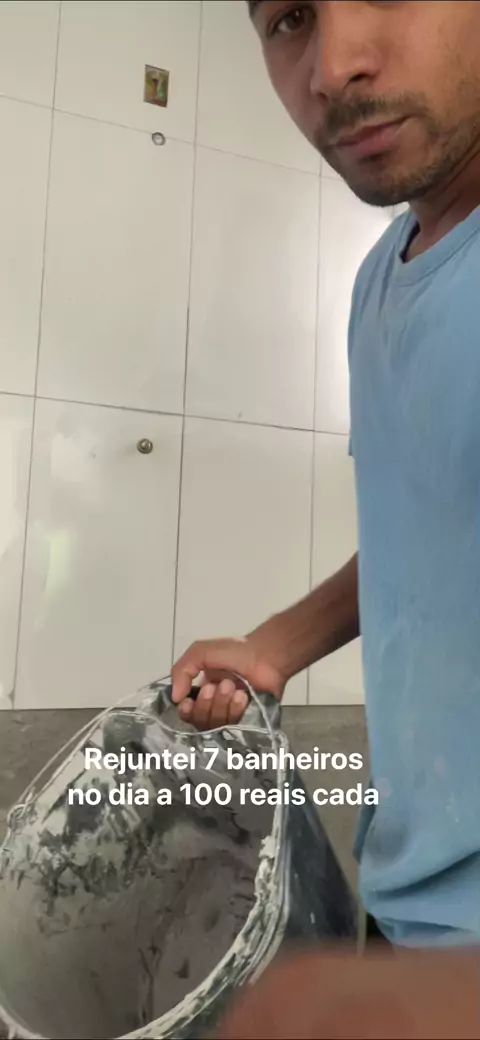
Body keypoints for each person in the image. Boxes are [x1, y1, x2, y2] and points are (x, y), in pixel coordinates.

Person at [172, 1, 480, 1033]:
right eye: (290, 18)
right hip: (403, 887)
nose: (333, 64)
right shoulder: (379, 282)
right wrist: (275, 645)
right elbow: (426, 520)